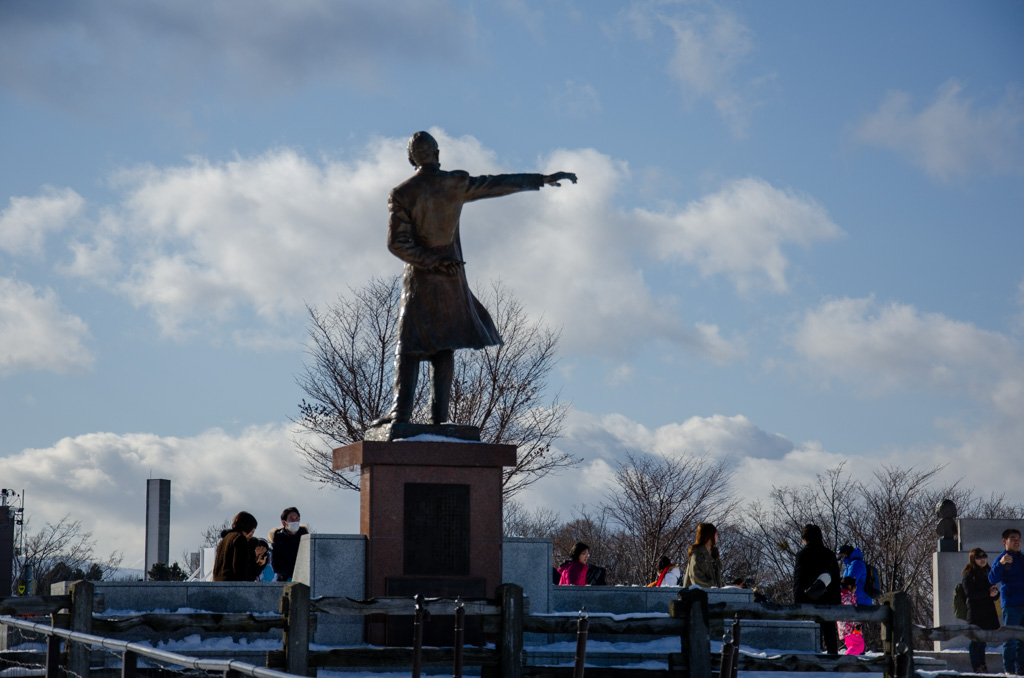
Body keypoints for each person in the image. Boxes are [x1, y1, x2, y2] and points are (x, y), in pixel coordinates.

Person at [373, 131, 577, 426]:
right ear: (437, 153)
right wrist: (540, 179)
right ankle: (438, 419)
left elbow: (397, 244)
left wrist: (430, 261)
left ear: (411, 158)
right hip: (451, 276)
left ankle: (401, 414)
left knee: (410, 347)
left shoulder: (403, 193)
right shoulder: (455, 183)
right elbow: (496, 184)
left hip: (422, 280)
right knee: (444, 345)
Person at [793, 524, 841, 655]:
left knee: (813, 637)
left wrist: (798, 602)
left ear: (804, 538)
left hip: (809, 601)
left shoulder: (802, 555)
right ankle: (833, 665)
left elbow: (799, 579)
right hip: (828, 602)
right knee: (830, 636)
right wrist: (836, 601)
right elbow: (836, 580)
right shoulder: (829, 554)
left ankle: (814, 668)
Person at [989, 527, 1024, 675]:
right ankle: (1009, 671)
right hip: (1011, 605)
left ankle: (1021, 671)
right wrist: (1001, 563)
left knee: (1022, 642)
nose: (1016, 542)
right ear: (1004, 541)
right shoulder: (1002, 559)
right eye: (1013, 539)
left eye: (1018, 539)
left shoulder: (1022, 558)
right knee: (1010, 640)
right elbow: (992, 579)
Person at [963, 547, 1000, 673]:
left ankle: (982, 664)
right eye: (979, 557)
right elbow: (970, 595)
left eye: (984, 556)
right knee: (975, 640)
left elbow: (994, 592)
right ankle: (976, 665)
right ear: (973, 559)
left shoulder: (989, 572)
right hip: (975, 612)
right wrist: (987, 593)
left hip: (988, 611)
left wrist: (995, 594)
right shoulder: (968, 574)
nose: (983, 559)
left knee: (983, 640)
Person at [213, 511, 259, 582]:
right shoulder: (240, 539)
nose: (251, 535)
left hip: (219, 582)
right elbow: (240, 568)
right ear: (247, 527)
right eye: (252, 532)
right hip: (234, 585)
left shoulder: (225, 539)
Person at [268, 507, 309, 582]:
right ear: (284, 522)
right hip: (284, 580)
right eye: (291, 519)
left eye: (297, 518)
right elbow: (275, 565)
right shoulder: (278, 539)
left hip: (304, 580)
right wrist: (294, 572)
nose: (295, 521)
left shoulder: (306, 538)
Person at [683, 522, 724, 588]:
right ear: (709, 535)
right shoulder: (696, 554)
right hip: (698, 595)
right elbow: (695, 577)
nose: (717, 536)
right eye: (715, 533)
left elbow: (718, 579)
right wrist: (713, 586)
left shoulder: (714, 553)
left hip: (714, 595)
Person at [838, 577, 864, 655]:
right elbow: (851, 612)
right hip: (851, 627)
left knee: (852, 646)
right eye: (855, 586)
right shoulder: (847, 597)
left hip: (847, 627)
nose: (856, 588)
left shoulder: (845, 596)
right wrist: (857, 623)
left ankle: (849, 663)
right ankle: (845, 660)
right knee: (859, 646)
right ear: (849, 586)